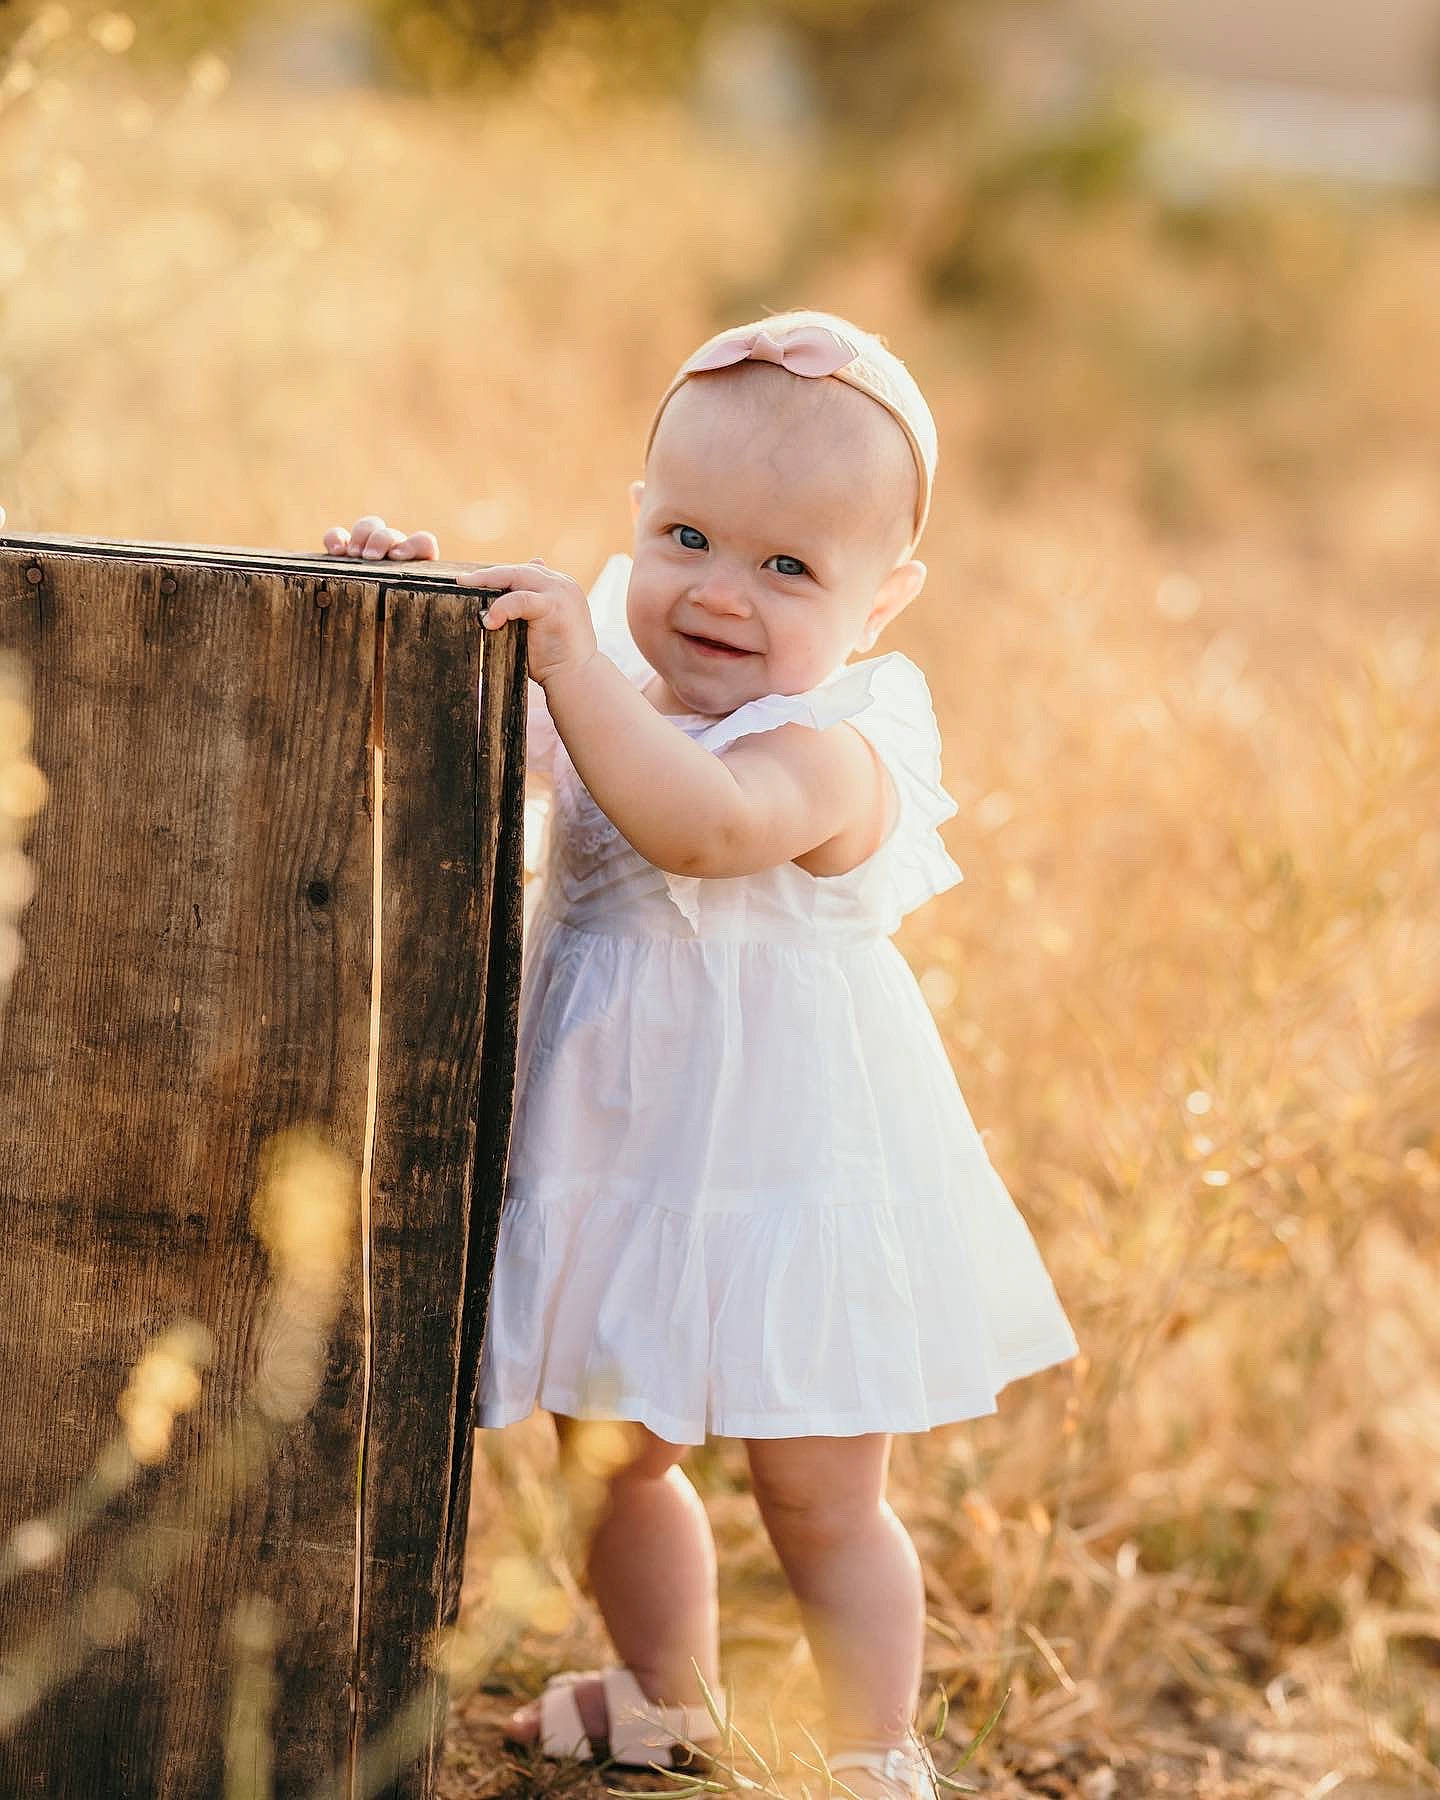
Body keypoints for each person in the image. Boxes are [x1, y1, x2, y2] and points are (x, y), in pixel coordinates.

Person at [323, 308, 1079, 1800]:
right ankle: (664, 1704)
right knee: (611, 1459)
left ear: (883, 601)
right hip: (619, 1161)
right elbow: (452, 746)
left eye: (791, 567)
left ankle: (873, 1751)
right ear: (636, 523)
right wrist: (404, 620)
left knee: (818, 1492)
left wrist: (571, 671)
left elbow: (704, 825)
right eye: (689, 535)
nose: (724, 595)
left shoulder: (841, 742)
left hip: (799, 1174)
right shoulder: (615, 697)